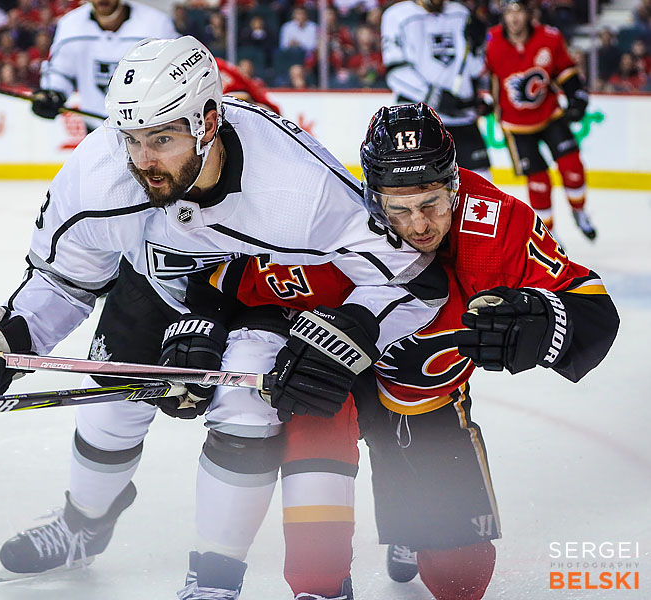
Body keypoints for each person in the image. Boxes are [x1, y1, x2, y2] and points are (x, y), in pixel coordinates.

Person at [0, 37, 449, 598]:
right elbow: (62, 281)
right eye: (132, 139)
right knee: (110, 404)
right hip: (155, 284)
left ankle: (213, 582)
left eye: (163, 139)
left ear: (209, 122)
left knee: (245, 410)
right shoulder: (97, 175)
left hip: (263, 296)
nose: (143, 161)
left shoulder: (298, 184)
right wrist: (12, 335)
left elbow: (413, 277)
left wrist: (347, 336)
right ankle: (83, 525)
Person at [210, 103, 619, 599]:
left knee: (461, 579)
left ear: (454, 186)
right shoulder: (333, 225)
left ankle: (410, 511)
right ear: (370, 197)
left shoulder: (495, 227)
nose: (419, 225)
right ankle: (320, 583)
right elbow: (226, 279)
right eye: (398, 209)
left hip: (426, 396)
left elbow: (592, 306)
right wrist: (200, 328)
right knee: (314, 401)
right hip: (346, 378)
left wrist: (544, 320)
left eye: (432, 203)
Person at [484, 0, 596, 239]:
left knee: (572, 168)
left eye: (518, 11)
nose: (514, 17)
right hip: (515, 125)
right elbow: (479, 74)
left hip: (550, 115)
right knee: (538, 183)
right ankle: (549, 235)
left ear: (529, 14)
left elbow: (564, 70)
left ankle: (579, 211)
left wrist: (576, 95)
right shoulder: (491, 41)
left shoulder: (549, 37)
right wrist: (479, 99)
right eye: (509, 12)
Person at [381, 0, 492, 179]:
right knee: (424, 184)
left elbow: (473, 69)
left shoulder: (460, 13)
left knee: (482, 179)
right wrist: (435, 97)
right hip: (418, 119)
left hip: (462, 118)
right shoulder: (397, 15)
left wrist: (478, 48)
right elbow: (396, 72)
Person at [29, 0, 177, 130]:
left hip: (146, 126)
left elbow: (173, 70)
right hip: (95, 128)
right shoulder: (70, 25)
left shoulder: (157, 24)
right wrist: (53, 93)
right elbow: (61, 71)